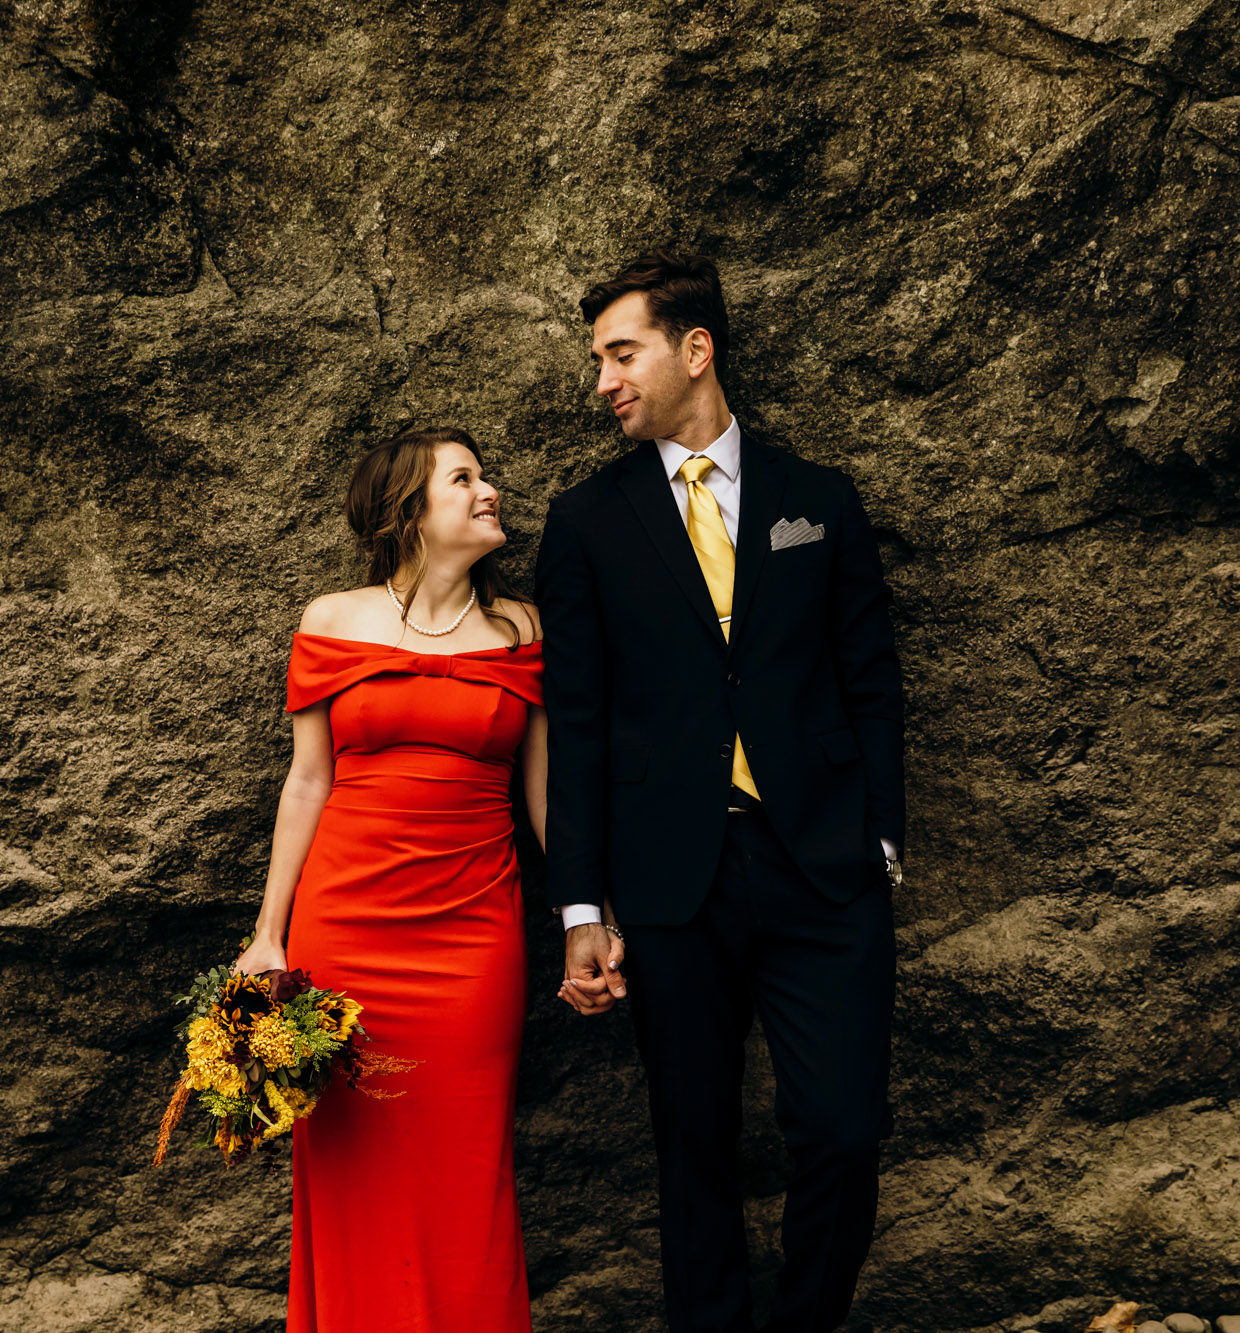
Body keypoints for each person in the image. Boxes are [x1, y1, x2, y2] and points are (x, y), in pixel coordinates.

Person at [536, 250, 906, 1333]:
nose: (600, 381)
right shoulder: (586, 521)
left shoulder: (815, 500)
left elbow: (870, 679)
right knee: (689, 1144)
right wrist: (579, 907)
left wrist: (880, 839)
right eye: (596, 359)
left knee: (841, 1130)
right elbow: (579, 722)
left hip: (823, 871)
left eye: (620, 353)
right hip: (669, 882)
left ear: (694, 350)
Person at [234, 425, 544, 1333]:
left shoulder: (522, 629)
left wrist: (588, 916)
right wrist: (268, 936)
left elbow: (548, 804)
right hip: (348, 934)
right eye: (466, 479)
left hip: (474, 937)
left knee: (468, 1170)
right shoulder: (332, 619)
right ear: (409, 510)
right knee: (350, 1175)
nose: (491, 491)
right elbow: (308, 781)